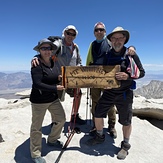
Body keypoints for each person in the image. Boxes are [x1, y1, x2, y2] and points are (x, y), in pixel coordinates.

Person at [86, 26, 145, 160]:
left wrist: (128, 76)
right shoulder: (108, 54)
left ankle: (125, 145)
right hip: (109, 92)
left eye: (120, 38)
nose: (117, 41)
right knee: (98, 112)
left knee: (126, 121)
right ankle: (100, 136)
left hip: (125, 93)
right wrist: (104, 83)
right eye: (114, 38)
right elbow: (104, 72)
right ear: (111, 40)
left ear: (124, 39)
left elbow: (142, 72)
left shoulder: (131, 54)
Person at [86, 22, 136, 139]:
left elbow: (121, 47)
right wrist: (88, 76)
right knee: (95, 101)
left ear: (105, 32)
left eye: (101, 30)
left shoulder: (110, 42)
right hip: (95, 77)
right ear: (94, 32)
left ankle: (111, 125)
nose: (99, 32)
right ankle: (96, 125)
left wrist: (132, 48)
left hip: (109, 76)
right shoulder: (92, 44)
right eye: (97, 30)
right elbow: (89, 59)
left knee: (109, 101)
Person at [31, 25, 86, 125]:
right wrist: (36, 57)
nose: (70, 36)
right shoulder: (58, 44)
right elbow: (47, 51)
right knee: (56, 98)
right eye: (68, 33)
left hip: (72, 78)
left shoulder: (75, 47)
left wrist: (78, 69)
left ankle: (75, 115)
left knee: (78, 95)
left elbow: (79, 61)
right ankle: (55, 120)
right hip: (59, 77)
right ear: (64, 33)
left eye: (73, 34)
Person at [30, 38, 66, 163]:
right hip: (39, 100)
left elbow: (52, 77)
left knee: (61, 119)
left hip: (52, 98)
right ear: (39, 50)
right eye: (43, 48)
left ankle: (52, 140)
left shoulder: (54, 62)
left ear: (51, 50)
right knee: (36, 127)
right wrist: (55, 87)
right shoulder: (36, 64)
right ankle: (35, 154)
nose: (46, 51)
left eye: (48, 48)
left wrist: (58, 78)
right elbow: (37, 84)